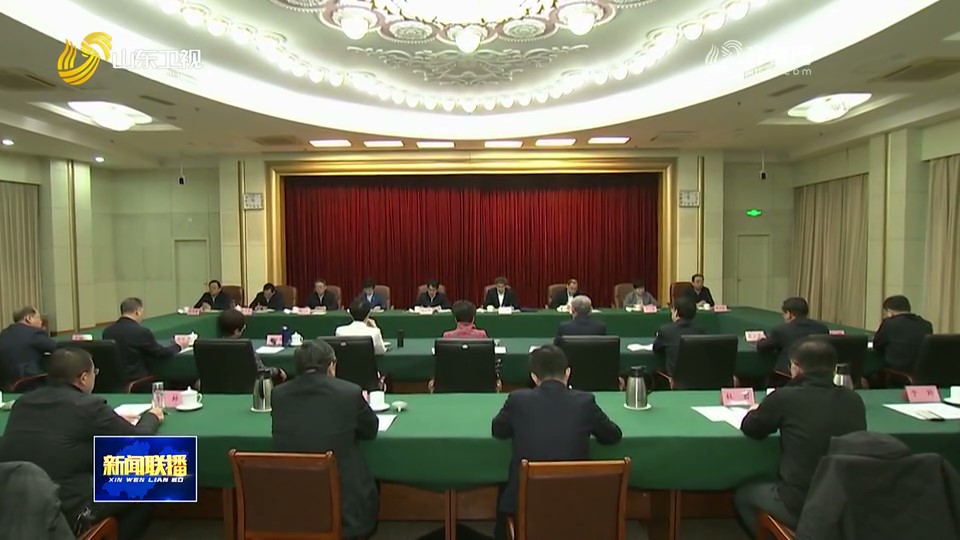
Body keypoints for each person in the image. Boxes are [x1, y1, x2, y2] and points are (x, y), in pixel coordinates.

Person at [0, 348, 163, 540]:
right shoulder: (89, 406)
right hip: (68, 510)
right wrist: (152, 417)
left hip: (15, 504)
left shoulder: (22, 403)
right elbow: (139, 441)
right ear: (84, 378)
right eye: (95, 372)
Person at [734, 338, 866, 537]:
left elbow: (752, 428)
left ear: (795, 368)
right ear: (833, 369)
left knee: (744, 496)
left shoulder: (784, 397)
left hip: (800, 502)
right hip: (846, 501)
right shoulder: (854, 400)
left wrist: (758, 410)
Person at [491, 345, 622, 540]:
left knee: (506, 488)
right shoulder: (585, 402)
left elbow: (498, 430)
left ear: (534, 377)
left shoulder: (518, 400)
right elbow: (613, 435)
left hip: (529, 503)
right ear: (567, 373)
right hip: (577, 502)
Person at [271, 340, 379, 539]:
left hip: (291, 500)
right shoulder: (349, 392)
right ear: (331, 366)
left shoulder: (278, 394)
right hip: (344, 507)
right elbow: (370, 430)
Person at [102, 298, 181, 382]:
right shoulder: (141, 332)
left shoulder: (107, 332)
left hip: (114, 381)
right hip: (137, 381)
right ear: (137, 311)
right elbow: (161, 353)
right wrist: (179, 346)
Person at [756, 297, 829, 373]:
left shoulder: (781, 330)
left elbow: (762, 347)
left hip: (787, 375)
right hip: (816, 372)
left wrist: (761, 340)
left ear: (788, 314)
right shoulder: (822, 329)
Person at [216, 310, 285, 380]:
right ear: (236, 331)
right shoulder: (245, 348)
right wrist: (278, 371)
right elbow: (260, 372)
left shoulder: (214, 347)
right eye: (243, 327)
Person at [873, 295, 934, 372]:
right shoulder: (926, 324)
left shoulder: (889, 323)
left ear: (890, 311)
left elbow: (877, 345)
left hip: (896, 369)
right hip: (921, 370)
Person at [652, 297, 705, 377]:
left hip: (676, 380)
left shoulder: (665, 331)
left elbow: (656, 349)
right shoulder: (701, 331)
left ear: (676, 312)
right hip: (698, 377)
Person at [0, 306, 56, 380]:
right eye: (39, 318)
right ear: (29, 318)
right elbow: (54, 346)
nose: (41, 322)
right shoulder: (34, 333)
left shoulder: (4, 333)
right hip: (28, 382)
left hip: (5, 382)